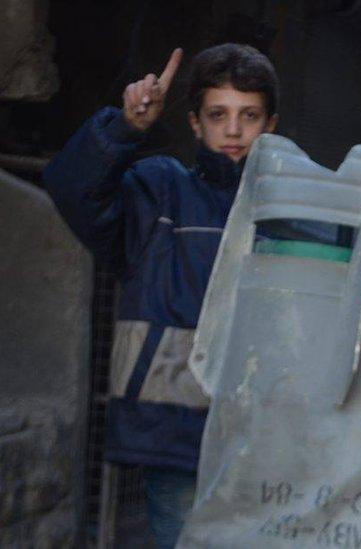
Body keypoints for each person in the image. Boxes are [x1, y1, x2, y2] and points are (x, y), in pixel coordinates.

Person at [43, 43, 279, 548]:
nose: (233, 131)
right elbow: (73, 189)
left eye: (249, 116)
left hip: (266, 433)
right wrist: (126, 128)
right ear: (195, 123)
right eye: (218, 115)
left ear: (271, 125)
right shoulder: (160, 193)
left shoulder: (292, 215)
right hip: (173, 432)